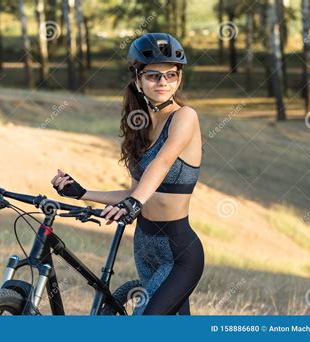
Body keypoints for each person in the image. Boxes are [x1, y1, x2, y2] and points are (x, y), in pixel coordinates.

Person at [51, 32, 204, 315]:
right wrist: (83, 193)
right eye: (154, 75)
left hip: (178, 252)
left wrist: (133, 204)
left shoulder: (185, 117)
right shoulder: (141, 125)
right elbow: (137, 193)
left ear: (179, 78)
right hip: (144, 247)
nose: (163, 82)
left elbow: (163, 161)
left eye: (171, 75)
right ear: (138, 79)